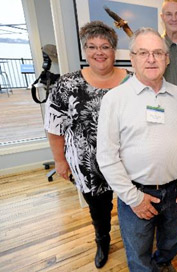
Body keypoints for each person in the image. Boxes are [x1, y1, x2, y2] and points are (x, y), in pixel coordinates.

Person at [96, 27, 177, 272]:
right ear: (132, 58)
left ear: (167, 58)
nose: (151, 59)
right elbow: (106, 156)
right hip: (136, 193)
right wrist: (133, 198)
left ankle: (163, 264)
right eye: (144, 53)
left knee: (170, 245)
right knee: (138, 254)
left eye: (158, 53)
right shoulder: (115, 99)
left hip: (175, 193)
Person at [44, 21, 131, 268]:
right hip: (87, 164)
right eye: (92, 47)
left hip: (129, 161)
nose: (99, 52)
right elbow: (54, 126)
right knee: (99, 209)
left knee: (131, 203)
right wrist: (60, 160)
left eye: (105, 46)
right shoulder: (67, 84)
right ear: (85, 51)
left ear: (115, 51)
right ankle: (102, 240)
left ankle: (133, 239)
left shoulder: (132, 82)